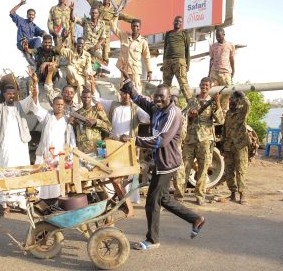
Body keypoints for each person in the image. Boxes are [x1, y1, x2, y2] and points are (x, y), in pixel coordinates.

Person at [120, 80, 205, 250]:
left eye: (162, 97)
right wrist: (130, 86)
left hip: (167, 163)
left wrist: (134, 140)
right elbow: (141, 100)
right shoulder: (157, 108)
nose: (158, 100)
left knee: (152, 202)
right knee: (164, 198)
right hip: (161, 162)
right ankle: (195, 219)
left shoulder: (173, 113)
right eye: (156, 96)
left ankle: (152, 240)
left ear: (169, 98)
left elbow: (161, 139)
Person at [91, 74, 150, 204]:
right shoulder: (113, 105)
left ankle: (130, 197)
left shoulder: (136, 109)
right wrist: (93, 84)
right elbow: (96, 99)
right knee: (114, 171)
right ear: (120, 94)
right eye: (124, 93)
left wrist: (147, 102)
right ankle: (116, 196)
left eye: (129, 93)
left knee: (129, 172)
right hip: (114, 146)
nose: (126, 96)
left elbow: (147, 118)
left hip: (129, 146)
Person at [0, 74, 35, 217]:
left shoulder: (21, 106)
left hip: (20, 146)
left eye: (13, 93)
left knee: (21, 172)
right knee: (4, 172)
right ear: (4, 95)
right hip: (5, 147)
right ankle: (5, 205)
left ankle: (22, 203)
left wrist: (35, 83)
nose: (11, 96)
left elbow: (32, 99)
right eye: (8, 94)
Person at [30, 72, 76, 201]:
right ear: (53, 105)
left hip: (59, 157)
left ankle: (54, 203)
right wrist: (34, 84)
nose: (60, 106)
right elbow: (35, 106)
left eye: (62, 105)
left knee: (56, 183)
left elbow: (72, 141)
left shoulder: (68, 121)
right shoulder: (46, 116)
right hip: (45, 155)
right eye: (57, 104)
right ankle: (41, 203)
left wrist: (70, 156)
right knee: (42, 182)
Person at [183, 77, 224, 205]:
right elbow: (182, 116)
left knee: (203, 169)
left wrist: (217, 103)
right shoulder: (192, 100)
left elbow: (220, 120)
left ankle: (200, 196)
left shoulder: (212, 102)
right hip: (191, 139)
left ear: (211, 87)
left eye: (207, 85)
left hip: (205, 140)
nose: (204, 87)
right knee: (184, 167)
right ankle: (179, 196)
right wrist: (189, 114)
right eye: (202, 84)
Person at [77, 0, 135, 64]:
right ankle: (89, 71)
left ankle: (101, 73)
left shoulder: (114, 11)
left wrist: (135, 20)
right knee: (87, 55)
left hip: (105, 38)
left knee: (105, 58)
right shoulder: (96, 4)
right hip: (93, 36)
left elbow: (124, 17)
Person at [111, 15, 152, 93]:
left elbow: (147, 58)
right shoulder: (124, 36)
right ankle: (125, 105)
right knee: (123, 91)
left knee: (136, 91)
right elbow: (113, 28)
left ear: (140, 27)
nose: (135, 28)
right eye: (133, 26)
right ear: (131, 27)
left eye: (137, 26)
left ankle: (135, 105)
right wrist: (116, 15)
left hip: (135, 71)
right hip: (124, 69)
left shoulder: (143, 42)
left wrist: (149, 72)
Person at [223, 91, 250, 205]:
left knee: (240, 170)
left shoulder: (242, 112)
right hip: (229, 145)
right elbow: (225, 129)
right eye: (230, 101)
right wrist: (223, 146)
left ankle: (242, 194)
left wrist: (243, 96)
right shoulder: (228, 114)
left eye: (234, 101)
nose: (231, 103)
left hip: (240, 146)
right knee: (229, 170)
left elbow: (247, 105)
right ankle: (232, 193)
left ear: (238, 102)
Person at [71, 88, 111, 154]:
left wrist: (96, 122)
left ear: (91, 98)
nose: (86, 99)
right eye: (84, 97)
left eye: (88, 97)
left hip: (98, 147)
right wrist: (74, 123)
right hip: (82, 149)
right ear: (81, 98)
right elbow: (73, 133)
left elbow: (109, 127)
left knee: (99, 164)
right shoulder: (76, 113)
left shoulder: (97, 110)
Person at [163, 16, 192, 102]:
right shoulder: (168, 34)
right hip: (167, 61)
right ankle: (165, 101)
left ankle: (190, 101)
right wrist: (163, 63)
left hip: (179, 61)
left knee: (183, 82)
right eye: (176, 21)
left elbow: (187, 50)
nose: (177, 23)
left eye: (180, 21)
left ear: (182, 23)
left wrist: (187, 64)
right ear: (173, 22)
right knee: (166, 84)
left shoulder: (184, 34)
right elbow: (165, 49)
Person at [57, 37, 94, 101]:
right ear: (76, 44)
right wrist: (63, 39)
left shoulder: (87, 55)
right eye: (78, 43)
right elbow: (60, 50)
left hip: (81, 77)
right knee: (69, 67)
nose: (80, 45)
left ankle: (80, 102)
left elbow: (89, 68)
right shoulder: (70, 52)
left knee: (81, 82)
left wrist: (87, 75)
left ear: (84, 45)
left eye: (82, 43)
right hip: (71, 78)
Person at [209, 27, 236, 113]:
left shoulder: (230, 45)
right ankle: (214, 113)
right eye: (216, 36)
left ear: (224, 34)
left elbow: (232, 59)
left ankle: (224, 114)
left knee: (226, 94)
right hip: (214, 72)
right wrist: (209, 73)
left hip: (226, 72)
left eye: (219, 36)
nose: (218, 38)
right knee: (213, 93)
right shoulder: (213, 46)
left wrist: (233, 70)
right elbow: (211, 60)